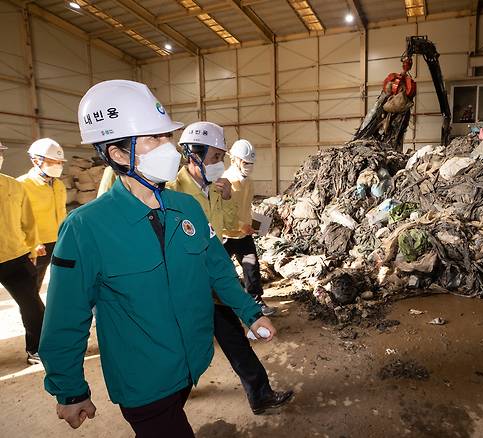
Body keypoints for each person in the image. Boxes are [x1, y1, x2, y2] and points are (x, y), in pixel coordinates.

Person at [39, 80, 276, 437]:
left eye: (167, 137)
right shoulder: (85, 228)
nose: (170, 148)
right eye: (154, 139)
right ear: (118, 154)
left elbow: (217, 270)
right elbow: (65, 316)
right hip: (142, 380)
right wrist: (69, 387)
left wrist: (250, 311)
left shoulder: (188, 209)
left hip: (191, 363)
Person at [169, 121, 293, 415]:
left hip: (213, 281)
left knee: (235, 340)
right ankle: (169, 404)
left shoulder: (213, 190)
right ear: (193, 156)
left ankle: (260, 395)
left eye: (221, 158)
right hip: (184, 289)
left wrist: (224, 199)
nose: (220, 164)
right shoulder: (173, 193)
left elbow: (220, 231)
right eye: (215, 158)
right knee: (183, 349)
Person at [0, 140, 44, 365]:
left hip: (15, 256)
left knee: (33, 307)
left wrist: (32, 248)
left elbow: (28, 221)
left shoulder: (14, 186)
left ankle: (35, 349)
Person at [222, 140, 275, 316]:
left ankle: (255, 301)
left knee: (252, 268)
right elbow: (220, 212)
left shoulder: (249, 183)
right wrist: (239, 226)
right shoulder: (225, 182)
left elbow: (245, 208)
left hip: (244, 234)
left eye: (251, 164)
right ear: (234, 160)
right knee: (221, 271)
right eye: (246, 163)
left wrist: (254, 223)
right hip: (225, 235)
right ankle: (222, 306)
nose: (249, 167)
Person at [17, 138, 68, 292]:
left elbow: (62, 212)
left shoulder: (59, 184)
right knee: (33, 287)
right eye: (53, 161)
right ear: (36, 161)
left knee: (64, 281)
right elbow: (16, 220)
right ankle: (36, 315)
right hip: (38, 245)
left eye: (60, 162)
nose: (58, 166)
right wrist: (33, 243)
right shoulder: (22, 185)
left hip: (60, 241)